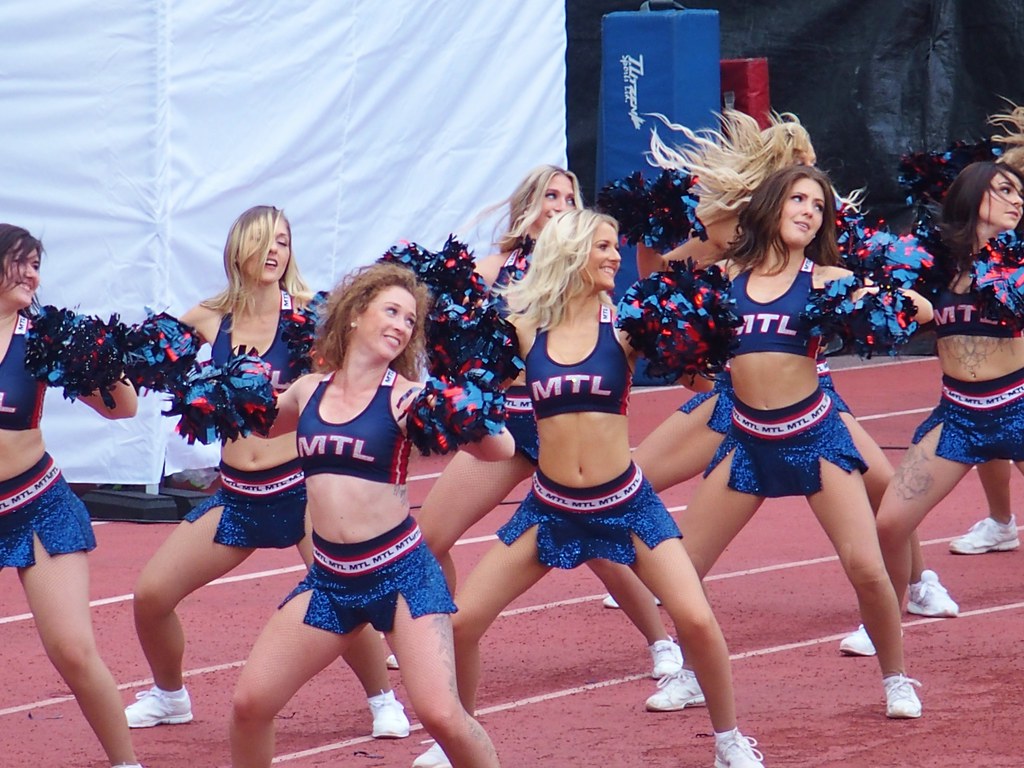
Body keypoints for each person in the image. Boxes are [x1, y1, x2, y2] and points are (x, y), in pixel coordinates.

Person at [414, 208, 765, 768]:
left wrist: (710, 352)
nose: (612, 256)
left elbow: (702, 380)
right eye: (602, 246)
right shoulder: (525, 329)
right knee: (464, 623)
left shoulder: (625, 328)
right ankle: (459, 735)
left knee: (696, 619)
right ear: (572, 253)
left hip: (625, 503)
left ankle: (729, 743)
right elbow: (467, 383)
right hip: (550, 508)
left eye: (614, 247)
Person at [126, 207, 408, 738]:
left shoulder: (308, 315)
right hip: (236, 497)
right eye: (263, 241)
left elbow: (345, 387)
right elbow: (148, 357)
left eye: (283, 241)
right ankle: (169, 696)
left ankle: (383, 700)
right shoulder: (212, 315)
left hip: (300, 492)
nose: (274, 251)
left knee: (341, 595)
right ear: (239, 250)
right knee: (151, 596)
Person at [664, 165, 926, 719]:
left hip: (816, 437)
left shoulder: (829, 279)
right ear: (771, 206)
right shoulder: (726, 273)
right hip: (747, 441)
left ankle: (897, 677)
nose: (808, 210)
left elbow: (920, 310)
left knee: (867, 569)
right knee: (682, 569)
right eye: (797, 199)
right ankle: (692, 674)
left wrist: (888, 295)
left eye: (818, 205)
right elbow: (665, 272)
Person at [229, 262, 512, 768]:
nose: (402, 325)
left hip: (401, 574)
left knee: (443, 715)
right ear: (357, 314)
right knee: (250, 705)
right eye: (392, 311)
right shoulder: (308, 390)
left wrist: (469, 407)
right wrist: (216, 390)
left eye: (410, 320)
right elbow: (260, 424)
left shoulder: (406, 399)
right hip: (332, 580)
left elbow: (501, 448)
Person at [418, 165, 684, 682]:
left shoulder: (587, 271)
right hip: (510, 425)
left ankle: (660, 641)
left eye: (569, 195)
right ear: (529, 204)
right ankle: (434, 638)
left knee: (602, 549)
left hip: (566, 428)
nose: (560, 203)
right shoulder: (493, 269)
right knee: (430, 536)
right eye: (550, 195)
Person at [0, 224, 144, 768]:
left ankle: (127, 764)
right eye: (21, 262)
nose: (33, 273)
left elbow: (121, 408)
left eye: (38, 264)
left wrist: (101, 360)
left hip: (36, 503)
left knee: (73, 651)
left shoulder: (43, 336)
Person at [876, 161, 1024, 625]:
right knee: (890, 523)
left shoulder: (1019, 261)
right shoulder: (935, 266)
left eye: (1020, 192)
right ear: (973, 196)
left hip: (1018, 406)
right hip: (957, 416)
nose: (1018, 200)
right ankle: (885, 616)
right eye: (1005, 189)